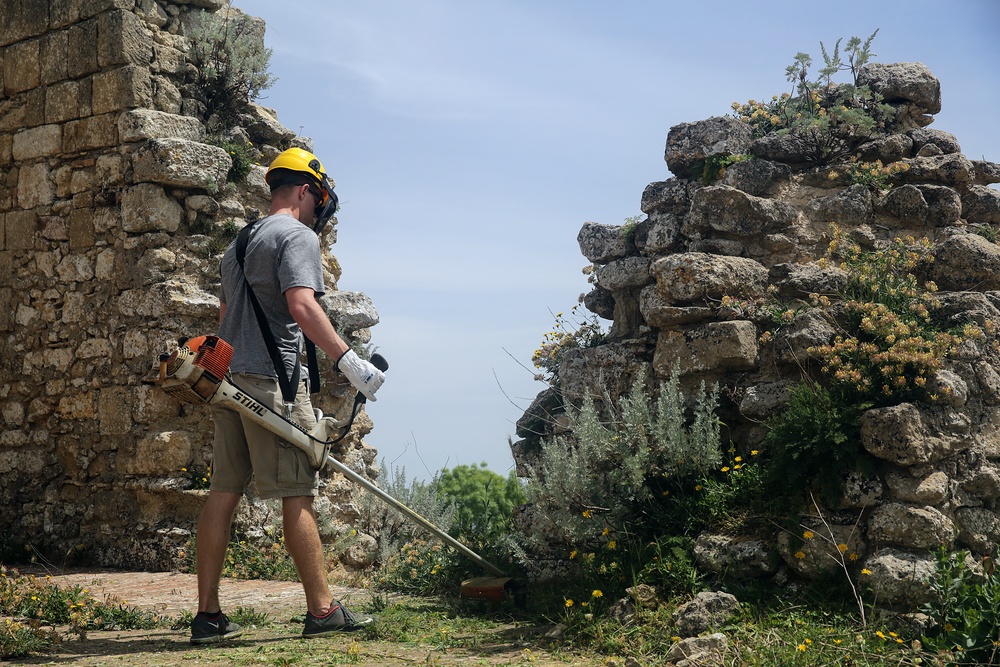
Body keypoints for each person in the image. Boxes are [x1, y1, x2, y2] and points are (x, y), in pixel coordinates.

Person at [189, 147, 385, 644]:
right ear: (304, 192)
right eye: (318, 203)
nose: (318, 214)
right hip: (271, 384)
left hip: (229, 381)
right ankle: (322, 611)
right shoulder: (296, 235)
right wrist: (349, 361)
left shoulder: (240, 242)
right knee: (297, 492)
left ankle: (207, 616)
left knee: (222, 494)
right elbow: (301, 304)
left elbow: (224, 315)